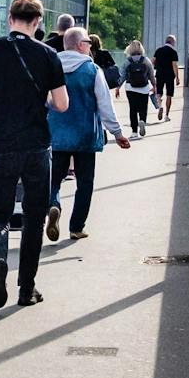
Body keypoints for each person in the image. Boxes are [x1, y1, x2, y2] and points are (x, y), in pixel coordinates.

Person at [0, 0, 68, 308]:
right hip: (36, 146)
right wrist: (42, 98)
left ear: (10, 19)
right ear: (37, 22)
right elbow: (61, 104)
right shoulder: (49, 55)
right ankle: (26, 289)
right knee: (34, 218)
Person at [46, 27, 132, 241]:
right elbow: (105, 104)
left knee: (53, 180)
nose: (90, 46)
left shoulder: (50, 67)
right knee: (85, 183)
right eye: (88, 42)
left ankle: (53, 205)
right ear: (80, 44)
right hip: (85, 135)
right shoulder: (92, 70)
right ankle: (76, 227)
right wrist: (117, 133)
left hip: (56, 134)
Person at [121, 40, 154, 137]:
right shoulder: (146, 60)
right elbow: (151, 74)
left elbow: (122, 75)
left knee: (133, 109)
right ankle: (142, 120)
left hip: (130, 88)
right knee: (143, 107)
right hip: (144, 88)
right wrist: (154, 85)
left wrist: (118, 87)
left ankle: (134, 132)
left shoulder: (128, 61)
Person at [154, 33, 182, 121]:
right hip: (170, 76)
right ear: (172, 42)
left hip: (159, 74)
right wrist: (177, 77)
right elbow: (174, 65)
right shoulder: (173, 52)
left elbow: (153, 61)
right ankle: (166, 115)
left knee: (158, 93)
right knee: (169, 95)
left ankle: (160, 105)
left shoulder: (158, 50)